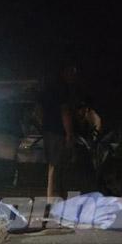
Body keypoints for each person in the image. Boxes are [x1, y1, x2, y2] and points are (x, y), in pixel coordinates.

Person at [41, 66, 80, 201]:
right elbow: (65, 112)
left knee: (53, 167)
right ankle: (56, 200)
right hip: (58, 133)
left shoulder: (49, 89)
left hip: (49, 131)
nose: (74, 77)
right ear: (65, 73)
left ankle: (52, 199)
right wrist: (69, 134)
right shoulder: (62, 90)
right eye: (72, 73)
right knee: (59, 168)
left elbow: (39, 110)